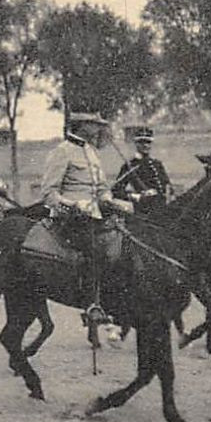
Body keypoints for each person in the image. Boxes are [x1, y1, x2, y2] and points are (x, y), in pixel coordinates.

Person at [41, 110, 132, 325]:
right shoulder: (62, 151)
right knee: (93, 248)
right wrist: (73, 204)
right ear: (81, 125)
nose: (98, 128)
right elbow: (48, 193)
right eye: (93, 124)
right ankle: (92, 305)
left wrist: (110, 200)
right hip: (69, 218)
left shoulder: (91, 152)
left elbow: (101, 188)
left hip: (94, 215)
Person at [113, 125, 171, 215]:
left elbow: (167, 186)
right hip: (144, 210)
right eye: (141, 142)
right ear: (136, 144)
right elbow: (116, 190)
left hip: (162, 208)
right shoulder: (130, 166)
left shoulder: (157, 164)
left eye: (148, 142)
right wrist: (136, 196)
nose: (145, 145)